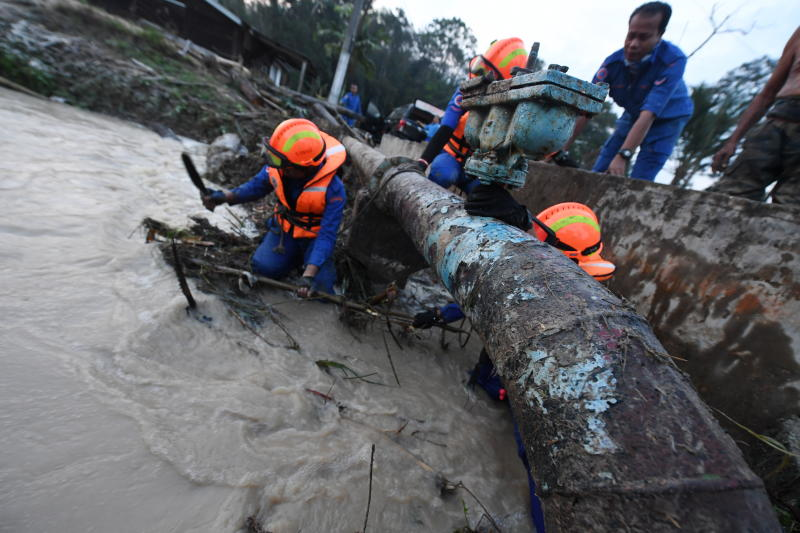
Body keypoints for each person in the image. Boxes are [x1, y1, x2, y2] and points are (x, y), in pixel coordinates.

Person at [412, 203, 615, 533]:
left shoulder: (565, 291)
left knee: (534, 458)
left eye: (542, 243)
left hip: (535, 378)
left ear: (563, 251)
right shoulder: (581, 280)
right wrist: (439, 315)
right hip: (520, 364)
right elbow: (491, 294)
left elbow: (495, 297)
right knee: (482, 384)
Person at [202, 118, 347, 298]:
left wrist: (308, 276)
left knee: (322, 290)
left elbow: (327, 234)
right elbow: (256, 186)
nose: (272, 163)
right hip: (285, 232)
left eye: (279, 161)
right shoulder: (280, 166)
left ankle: (308, 263)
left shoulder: (334, 188)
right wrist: (223, 197)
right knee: (263, 268)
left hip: (314, 240)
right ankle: (294, 259)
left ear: (302, 168)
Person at [556, 2, 693, 181]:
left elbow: (649, 113)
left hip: (668, 117)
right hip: (633, 113)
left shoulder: (673, 60)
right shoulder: (612, 64)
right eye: (631, 36)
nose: (633, 44)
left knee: (641, 177)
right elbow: (586, 107)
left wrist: (624, 155)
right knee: (602, 168)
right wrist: (560, 147)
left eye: (643, 38)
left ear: (659, 35)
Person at [418, 37, 529, 194]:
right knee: (442, 174)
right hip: (452, 158)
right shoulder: (465, 92)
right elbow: (446, 127)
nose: (478, 76)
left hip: (480, 169)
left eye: (486, 72)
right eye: (481, 68)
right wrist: (422, 162)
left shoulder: (511, 108)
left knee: (485, 196)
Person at [707, 27, 800, 205]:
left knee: (791, 208)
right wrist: (732, 141)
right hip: (779, 119)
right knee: (730, 195)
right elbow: (768, 93)